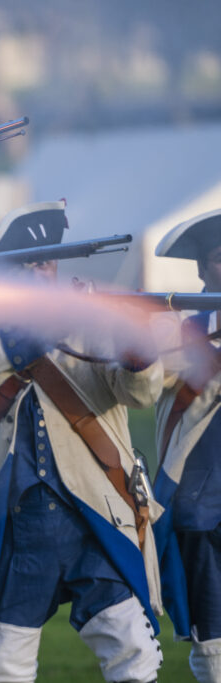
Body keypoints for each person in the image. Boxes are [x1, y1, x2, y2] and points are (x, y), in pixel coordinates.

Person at [0, 201, 165, 683]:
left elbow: (140, 392)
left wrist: (137, 353)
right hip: (16, 524)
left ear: (57, 265)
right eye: (23, 266)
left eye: (43, 262)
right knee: (6, 664)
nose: (36, 274)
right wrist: (18, 341)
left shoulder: (90, 316)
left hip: (96, 514)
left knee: (134, 654)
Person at [151, 209, 221, 682]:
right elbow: (139, 381)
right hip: (203, 506)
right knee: (213, 642)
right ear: (202, 271)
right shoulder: (180, 331)